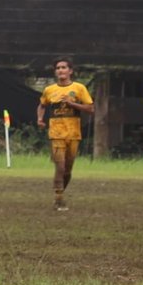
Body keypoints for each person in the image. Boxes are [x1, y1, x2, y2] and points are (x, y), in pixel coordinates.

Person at [37, 58, 94, 210]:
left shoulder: (79, 88)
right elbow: (42, 105)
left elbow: (90, 108)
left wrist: (72, 104)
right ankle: (59, 199)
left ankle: (60, 192)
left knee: (68, 170)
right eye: (58, 68)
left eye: (63, 67)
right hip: (56, 133)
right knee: (60, 166)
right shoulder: (49, 90)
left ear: (70, 71)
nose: (60, 70)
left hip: (74, 134)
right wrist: (40, 119)